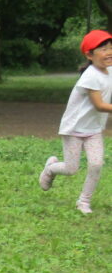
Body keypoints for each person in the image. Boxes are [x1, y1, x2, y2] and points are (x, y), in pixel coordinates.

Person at [39, 29, 112, 214]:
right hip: (74, 129)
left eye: (111, 47)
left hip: (94, 129)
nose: (109, 52)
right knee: (71, 169)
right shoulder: (90, 76)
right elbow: (99, 105)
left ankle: (84, 202)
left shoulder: (110, 70)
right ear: (89, 54)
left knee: (96, 164)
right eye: (103, 49)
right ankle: (50, 169)